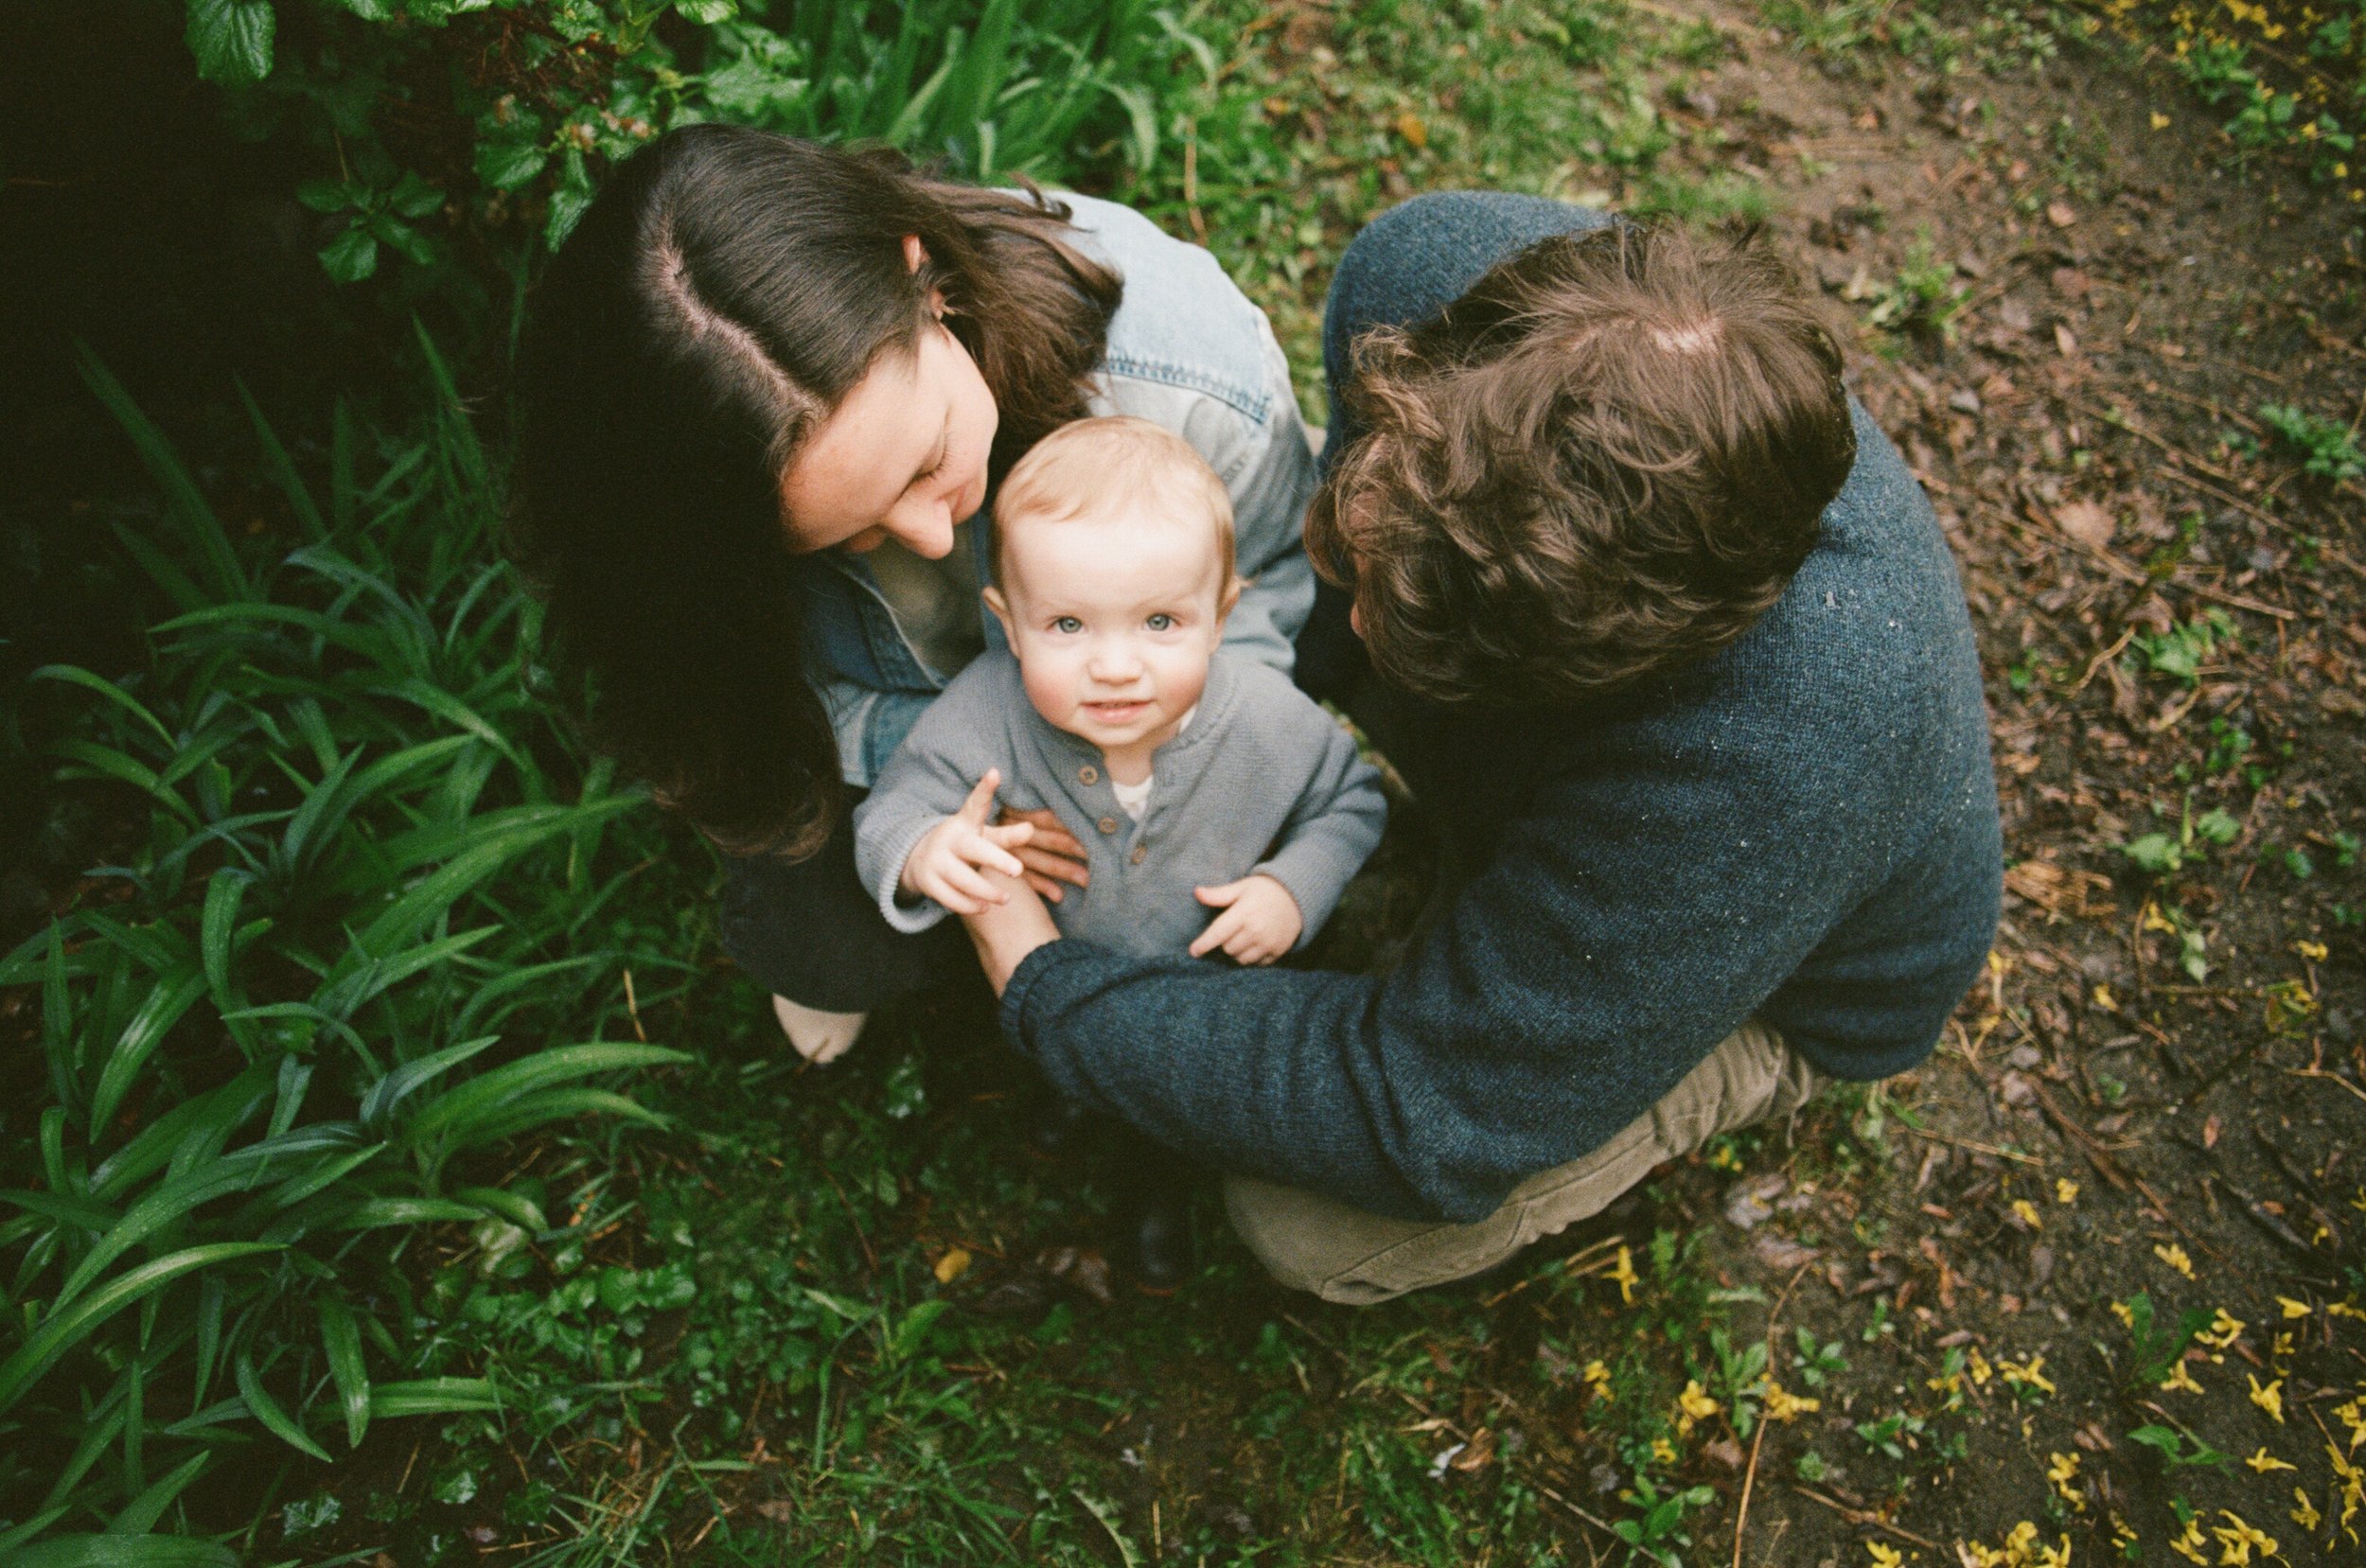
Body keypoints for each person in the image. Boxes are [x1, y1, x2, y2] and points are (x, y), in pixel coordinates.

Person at [962, 194, 2004, 1306]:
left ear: (1625, 666)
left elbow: (1415, 1106)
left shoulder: (1771, 766)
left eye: (1407, 620)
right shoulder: (1420, 277)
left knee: (1308, 1226)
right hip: (1591, 762)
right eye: (1366, 559)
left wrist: (1046, 981)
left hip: (1789, 984)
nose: (1351, 618)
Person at [507, 125, 1321, 1069]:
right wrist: (982, 769)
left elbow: (1270, 575)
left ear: (920, 274)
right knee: (827, 947)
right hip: (914, 757)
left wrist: (1177, 745)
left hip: (1153, 730)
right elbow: (749, 705)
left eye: (928, 458)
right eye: (845, 535)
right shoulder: (686, 530)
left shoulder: (1188, 376)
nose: (934, 535)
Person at [851, 416, 1386, 1004]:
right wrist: (926, 849)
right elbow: (889, 813)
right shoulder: (983, 711)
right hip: (1058, 990)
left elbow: (1350, 800)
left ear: (1219, 619)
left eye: (1159, 622)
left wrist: (1293, 889)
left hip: (1230, 995)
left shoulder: (1268, 718)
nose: (1114, 667)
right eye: (1068, 624)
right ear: (1011, 627)